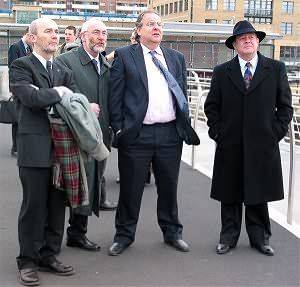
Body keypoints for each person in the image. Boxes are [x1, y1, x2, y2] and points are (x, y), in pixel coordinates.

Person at [108, 10, 199, 256]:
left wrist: (184, 122)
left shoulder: (176, 57)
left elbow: (181, 95)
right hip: (137, 136)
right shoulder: (126, 56)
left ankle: (172, 233)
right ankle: (124, 235)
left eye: (159, 24)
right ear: (139, 30)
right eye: (150, 24)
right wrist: (119, 129)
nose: (156, 28)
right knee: (131, 188)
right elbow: (114, 97)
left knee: (169, 187)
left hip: (170, 135)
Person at [204, 20, 293, 256]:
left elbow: (285, 107)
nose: (248, 39)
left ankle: (260, 238)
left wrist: (275, 134)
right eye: (242, 37)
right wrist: (218, 133)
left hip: (262, 144)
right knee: (229, 194)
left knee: (258, 193)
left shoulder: (275, 69)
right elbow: (212, 107)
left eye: (252, 36)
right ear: (234, 44)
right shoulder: (222, 72)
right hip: (230, 144)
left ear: (258, 41)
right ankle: (228, 238)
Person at [9, 18, 77, 286]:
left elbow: (71, 102)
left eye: (56, 31)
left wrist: (50, 94)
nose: (54, 35)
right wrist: (57, 93)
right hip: (34, 147)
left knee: (56, 205)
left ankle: (49, 254)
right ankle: (27, 261)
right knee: (33, 206)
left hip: (62, 148)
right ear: (33, 37)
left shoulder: (61, 68)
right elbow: (29, 98)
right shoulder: (20, 66)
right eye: (48, 31)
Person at [56, 18, 117, 253]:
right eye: (96, 32)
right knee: (74, 185)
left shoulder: (108, 66)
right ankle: (66, 235)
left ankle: (77, 233)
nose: (101, 37)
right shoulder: (65, 62)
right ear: (83, 36)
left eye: (104, 33)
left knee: (91, 183)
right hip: (75, 135)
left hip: (101, 136)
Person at [8, 27, 33, 157]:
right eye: (32, 36)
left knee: (25, 117)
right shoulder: (15, 47)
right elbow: (12, 67)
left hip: (29, 87)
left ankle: (23, 145)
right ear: (27, 35)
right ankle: (15, 147)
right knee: (16, 119)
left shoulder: (30, 48)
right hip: (17, 87)